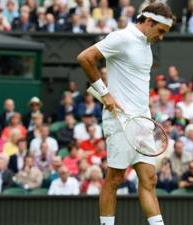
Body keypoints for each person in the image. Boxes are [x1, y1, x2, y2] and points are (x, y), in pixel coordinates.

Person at [77, 3, 175, 224]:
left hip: (143, 121)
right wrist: (105, 94)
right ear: (149, 22)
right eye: (160, 31)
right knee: (115, 178)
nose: (161, 37)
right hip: (119, 121)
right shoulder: (122, 37)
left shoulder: (146, 44)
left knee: (149, 179)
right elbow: (85, 58)